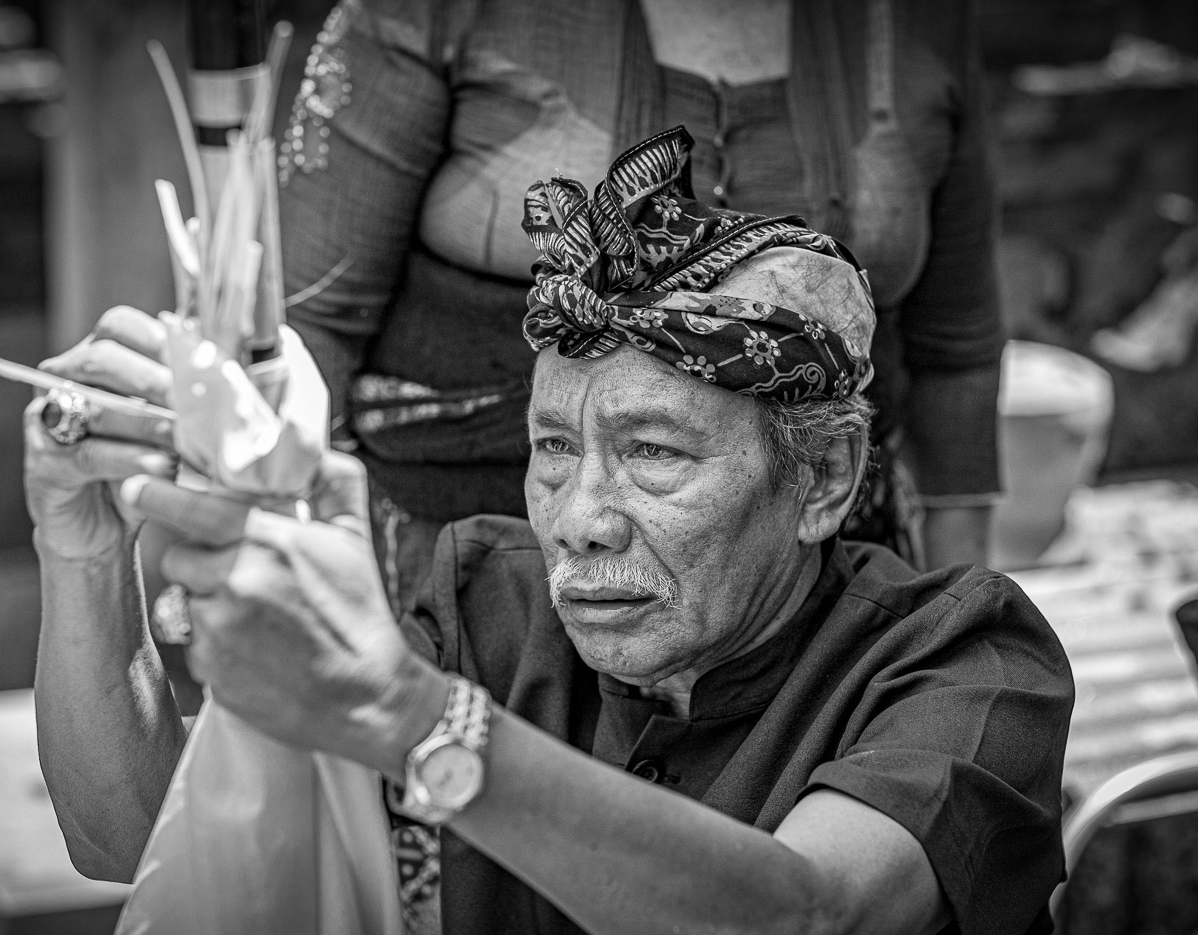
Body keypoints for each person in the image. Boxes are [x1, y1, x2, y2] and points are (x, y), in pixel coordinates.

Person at [26, 130, 1071, 935]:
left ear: (824, 477)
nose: (581, 520)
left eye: (653, 452)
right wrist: (80, 548)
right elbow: (138, 838)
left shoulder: (963, 662)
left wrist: (419, 719)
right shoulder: (490, 600)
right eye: (556, 449)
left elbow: (794, 930)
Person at [280, 0, 1006, 611]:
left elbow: (956, 352)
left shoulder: (918, 22)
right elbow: (307, 321)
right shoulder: (434, 11)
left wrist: (952, 630)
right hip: (475, 571)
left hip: (812, 587)